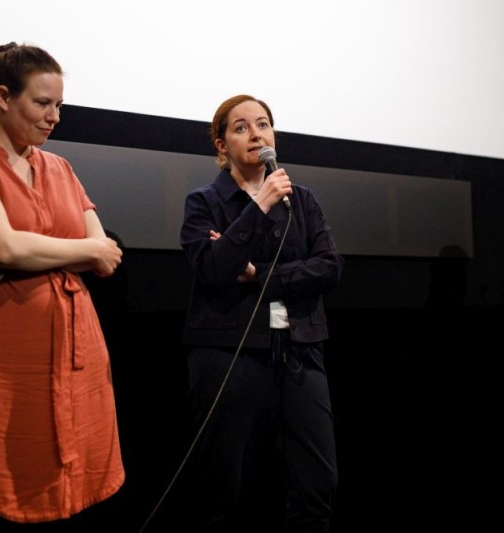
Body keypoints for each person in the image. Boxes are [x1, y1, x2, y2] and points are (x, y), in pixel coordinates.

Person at [0, 42, 125, 524]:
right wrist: (30, 248)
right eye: (42, 103)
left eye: (59, 105)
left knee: (82, 481)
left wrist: (25, 246)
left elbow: (105, 254)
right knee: (10, 479)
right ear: (3, 96)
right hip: (6, 344)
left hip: (78, 340)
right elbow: (8, 249)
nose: (54, 116)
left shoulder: (59, 167)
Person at [178, 94, 344, 532]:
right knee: (226, 487)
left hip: (297, 350)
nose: (256, 134)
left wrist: (262, 274)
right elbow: (214, 269)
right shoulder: (203, 203)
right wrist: (259, 205)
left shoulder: (302, 200)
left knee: (317, 483)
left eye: (264, 124)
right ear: (221, 144)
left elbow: (329, 267)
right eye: (241, 127)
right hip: (230, 355)